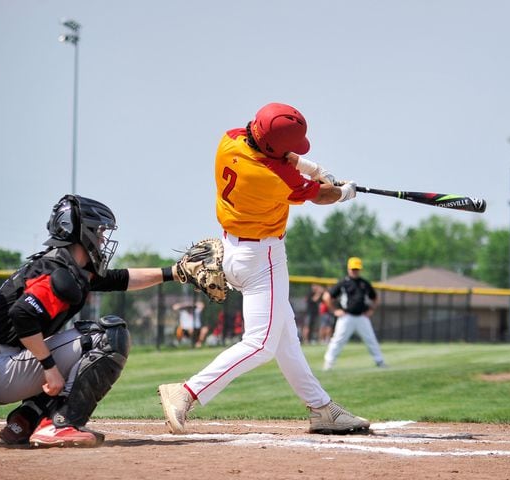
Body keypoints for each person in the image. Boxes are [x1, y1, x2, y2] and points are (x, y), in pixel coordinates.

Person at [158, 102, 370, 435]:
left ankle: (322, 409)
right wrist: (344, 192)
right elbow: (321, 196)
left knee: (285, 337)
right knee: (261, 344)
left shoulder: (230, 140)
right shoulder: (275, 176)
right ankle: (187, 392)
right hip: (262, 260)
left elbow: (284, 160)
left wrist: (312, 168)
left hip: (232, 250)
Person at [0, 194, 183, 448]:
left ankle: (25, 419)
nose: (103, 238)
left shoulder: (67, 267)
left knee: (83, 342)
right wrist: (49, 367)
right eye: (100, 230)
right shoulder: (57, 271)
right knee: (107, 336)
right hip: (0, 369)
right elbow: (21, 314)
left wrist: (175, 272)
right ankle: (61, 424)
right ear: (83, 231)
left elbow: (121, 279)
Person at [322, 257, 386, 371]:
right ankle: (329, 363)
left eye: (356, 268)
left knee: (371, 339)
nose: (354, 271)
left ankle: (380, 361)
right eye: (353, 268)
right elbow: (327, 297)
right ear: (348, 268)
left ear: (360, 269)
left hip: (362, 317)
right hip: (346, 317)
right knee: (338, 340)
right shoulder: (343, 283)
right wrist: (335, 310)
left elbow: (375, 298)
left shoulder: (364, 283)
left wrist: (371, 310)